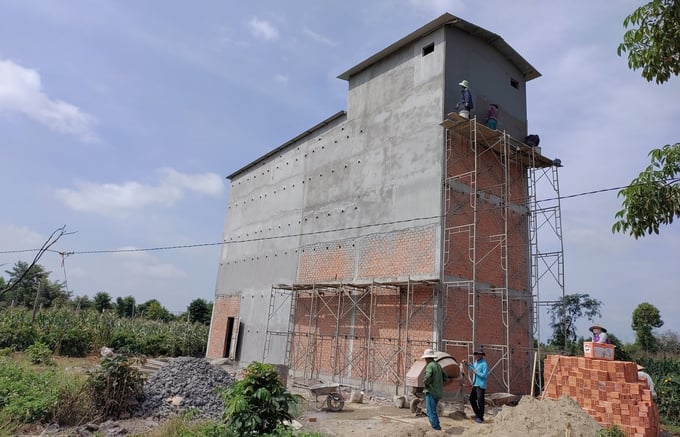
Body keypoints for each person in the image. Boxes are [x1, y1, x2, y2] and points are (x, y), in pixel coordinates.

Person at [421, 348, 444, 431]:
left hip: (431, 391)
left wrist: (426, 383)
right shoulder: (438, 365)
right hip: (438, 391)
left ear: (427, 358)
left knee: (430, 411)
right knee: (433, 410)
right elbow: (445, 377)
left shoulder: (430, 366)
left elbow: (427, 377)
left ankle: (436, 428)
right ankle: (437, 426)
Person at [463, 350, 488, 423]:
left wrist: (476, 372)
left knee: (480, 401)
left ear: (481, 355)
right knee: (472, 399)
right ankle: (478, 414)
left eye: (477, 354)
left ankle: (480, 417)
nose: (476, 356)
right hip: (475, 384)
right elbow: (473, 369)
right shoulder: (476, 362)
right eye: (476, 354)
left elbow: (484, 375)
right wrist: (467, 364)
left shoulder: (484, 364)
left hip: (481, 385)